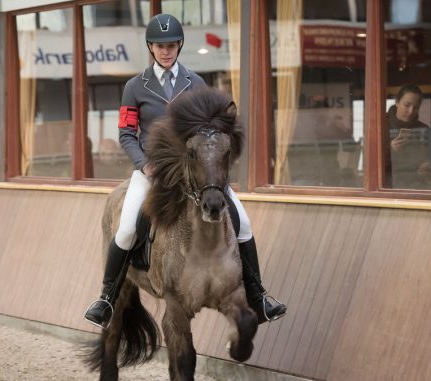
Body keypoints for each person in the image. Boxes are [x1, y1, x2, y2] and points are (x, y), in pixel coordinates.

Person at [84, 14, 287, 329]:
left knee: (243, 223)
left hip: (198, 171)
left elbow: (209, 130)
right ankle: (107, 297)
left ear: (179, 46)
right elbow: (126, 133)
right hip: (153, 171)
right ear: (151, 47)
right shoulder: (135, 87)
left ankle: (258, 294)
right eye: (160, 46)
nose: (166, 51)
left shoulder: (196, 82)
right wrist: (144, 163)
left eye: (171, 45)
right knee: (125, 228)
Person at [385, 84, 431, 187]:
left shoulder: (423, 129)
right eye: (407, 105)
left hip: (417, 186)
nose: (411, 112)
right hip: (387, 187)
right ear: (397, 102)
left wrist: (429, 166)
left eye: (416, 108)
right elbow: (369, 164)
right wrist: (390, 148)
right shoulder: (380, 125)